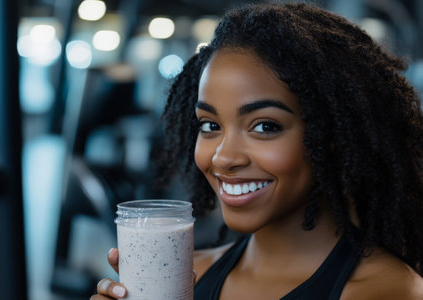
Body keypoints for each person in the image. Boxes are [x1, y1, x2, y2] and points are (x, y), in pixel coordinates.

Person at [90, 2, 423, 299]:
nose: (223, 157)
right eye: (210, 125)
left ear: (333, 135)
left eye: (265, 126)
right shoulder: (191, 277)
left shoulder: (386, 291)